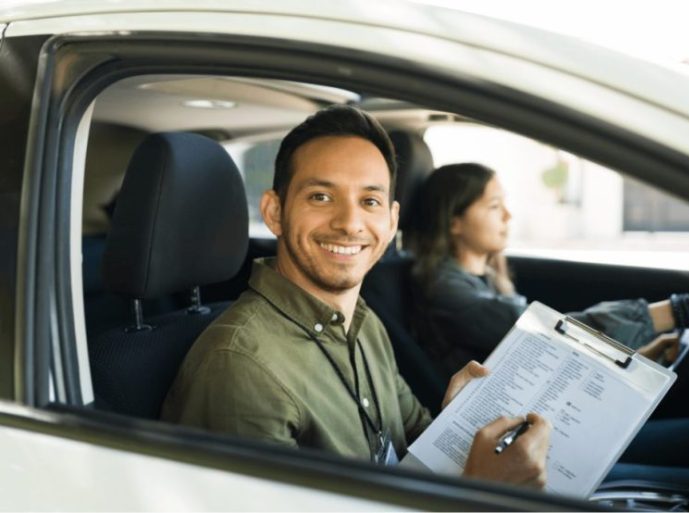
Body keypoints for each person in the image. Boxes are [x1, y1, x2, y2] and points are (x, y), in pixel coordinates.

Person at [161, 105, 550, 488]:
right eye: (321, 197)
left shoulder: (363, 323)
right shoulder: (240, 366)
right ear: (275, 212)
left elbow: (409, 441)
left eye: (370, 201)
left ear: (392, 220)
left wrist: (459, 421)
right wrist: (478, 495)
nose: (349, 223)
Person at [409, 161, 689, 486]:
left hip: (542, 424)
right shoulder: (447, 292)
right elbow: (552, 337)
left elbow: (544, 364)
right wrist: (682, 311)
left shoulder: (482, 279)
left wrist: (637, 356)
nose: (509, 215)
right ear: (453, 221)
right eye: (494, 206)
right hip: (521, 445)